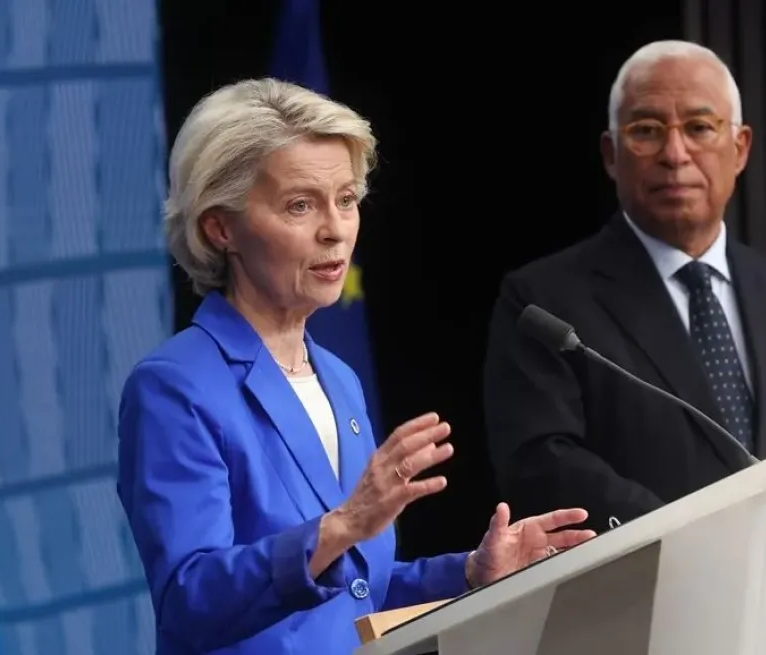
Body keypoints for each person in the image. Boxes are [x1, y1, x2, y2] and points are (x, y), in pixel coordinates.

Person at [116, 78, 596, 655]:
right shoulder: (175, 387)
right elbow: (189, 601)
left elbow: (353, 591)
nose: (335, 229)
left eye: (346, 199)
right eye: (300, 205)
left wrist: (468, 572)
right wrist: (340, 526)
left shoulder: (337, 378)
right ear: (220, 227)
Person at [482, 40, 766, 534]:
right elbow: (542, 463)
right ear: (611, 155)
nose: (675, 154)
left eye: (699, 128)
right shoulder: (544, 304)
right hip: (642, 590)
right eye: (647, 131)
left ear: (740, 149)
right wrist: (690, 534)